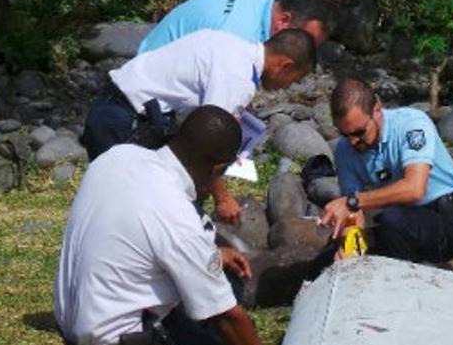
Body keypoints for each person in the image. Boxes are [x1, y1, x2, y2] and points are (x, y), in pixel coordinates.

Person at [55, 106, 308, 345]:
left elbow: (135, 233)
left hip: (73, 326)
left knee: (225, 280)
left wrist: (213, 253)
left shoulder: (119, 157)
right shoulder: (174, 213)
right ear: (219, 167)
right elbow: (229, 319)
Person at [80, 27, 316, 223]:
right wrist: (223, 198)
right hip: (126, 121)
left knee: (120, 204)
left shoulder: (231, 43)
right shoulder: (238, 78)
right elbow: (208, 143)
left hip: (114, 106)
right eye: (293, 79)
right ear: (285, 65)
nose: (286, 87)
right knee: (125, 212)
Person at [319, 77, 453, 264]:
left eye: (359, 132)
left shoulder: (411, 124)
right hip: (404, 221)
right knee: (329, 257)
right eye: (345, 134)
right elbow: (354, 213)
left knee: (392, 221)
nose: (353, 141)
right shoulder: (345, 150)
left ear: (377, 109)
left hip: (447, 224)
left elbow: (415, 189)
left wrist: (354, 201)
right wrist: (350, 249)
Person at [138, 0, 334, 54]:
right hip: (150, 86)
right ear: (283, 20)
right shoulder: (238, 38)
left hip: (156, 48)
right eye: (305, 42)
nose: (305, 53)